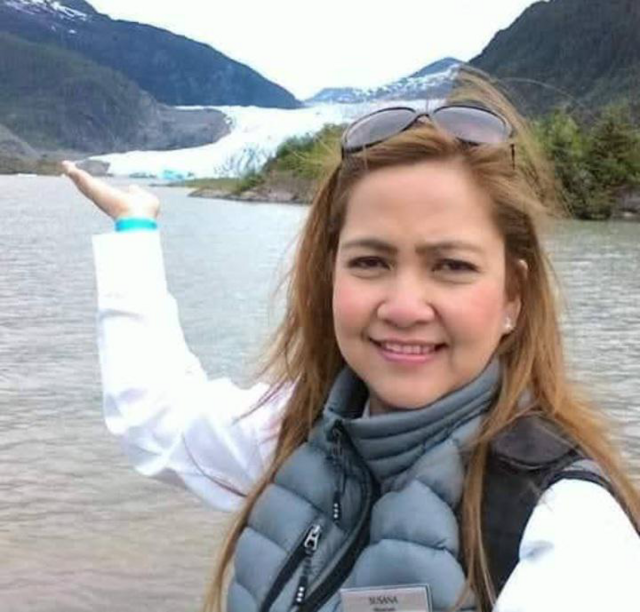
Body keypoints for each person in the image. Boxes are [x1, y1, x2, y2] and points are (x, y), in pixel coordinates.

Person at [63, 73, 640, 612]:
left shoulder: (566, 530)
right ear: (330, 274)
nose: (404, 307)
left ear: (513, 295)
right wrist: (134, 230)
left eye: (452, 266)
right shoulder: (300, 435)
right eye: (370, 262)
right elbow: (157, 417)